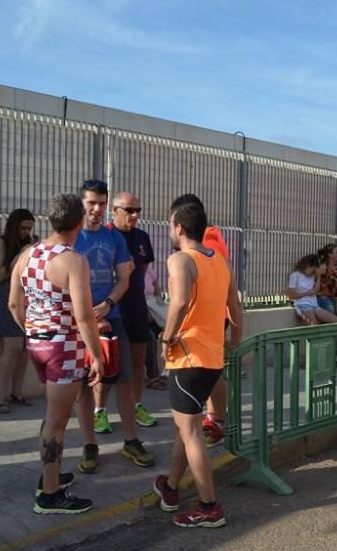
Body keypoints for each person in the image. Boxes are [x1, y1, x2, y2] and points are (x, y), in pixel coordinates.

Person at [8, 194, 104, 513]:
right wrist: (98, 356)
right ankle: (50, 495)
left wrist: (33, 329)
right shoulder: (73, 261)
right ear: (79, 222)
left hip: (36, 343)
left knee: (52, 417)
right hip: (63, 348)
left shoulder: (27, 254)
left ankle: (50, 476)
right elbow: (85, 316)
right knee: (57, 422)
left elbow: (13, 303)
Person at [152, 200, 243, 528]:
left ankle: (209, 507)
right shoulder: (218, 260)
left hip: (187, 358)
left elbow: (177, 302)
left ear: (178, 226)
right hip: (212, 358)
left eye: (169, 224)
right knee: (184, 427)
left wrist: (166, 338)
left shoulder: (179, 260)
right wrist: (236, 338)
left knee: (189, 432)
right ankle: (172, 487)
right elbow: (235, 304)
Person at [73, 179, 154, 473]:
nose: (96, 209)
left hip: (112, 316)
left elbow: (124, 279)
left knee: (124, 378)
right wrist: (87, 315)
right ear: (82, 203)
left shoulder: (114, 239)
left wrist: (106, 305)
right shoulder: (72, 235)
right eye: (91, 202)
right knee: (84, 382)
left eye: (101, 203)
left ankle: (131, 440)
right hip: (78, 321)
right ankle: (89, 444)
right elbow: (61, 281)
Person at [170, 194, 232, 447]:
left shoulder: (205, 242)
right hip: (210, 320)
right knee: (213, 372)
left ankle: (215, 421)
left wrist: (166, 337)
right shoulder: (207, 239)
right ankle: (214, 421)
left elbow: (183, 300)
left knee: (190, 429)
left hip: (201, 325)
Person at [106, 192, 158, 428]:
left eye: (138, 210)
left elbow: (142, 271)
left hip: (136, 307)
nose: (135, 215)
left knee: (138, 361)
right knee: (106, 363)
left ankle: (137, 406)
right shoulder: (104, 237)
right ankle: (99, 410)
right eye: (129, 210)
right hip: (110, 309)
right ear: (114, 210)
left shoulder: (142, 238)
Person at [0, 208, 37, 413]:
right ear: (14, 226)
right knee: (13, 348)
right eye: (23, 228)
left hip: (27, 296)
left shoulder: (29, 242)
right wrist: (20, 256)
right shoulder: (0, 243)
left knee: (25, 349)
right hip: (6, 296)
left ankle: (16, 393)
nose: (26, 232)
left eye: (29, 228)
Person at [288, 255, 337, 325]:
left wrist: (319, 274)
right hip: (302, 305)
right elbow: (290, 295)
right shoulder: (295, 275)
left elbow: (316, 289)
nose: (314, 271)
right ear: (308, 265)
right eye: (313, 268)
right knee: (313, 326)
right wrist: (306, 293)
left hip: (314, 305)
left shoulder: (311, 275)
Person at [316, 243, 337, 318]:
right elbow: (314, 281)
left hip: (333, 298)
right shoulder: (323, 267)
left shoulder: (335, 267)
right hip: (324, 298)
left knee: (336, 319)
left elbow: (336, 284)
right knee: (332, 321)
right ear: (330, 254)